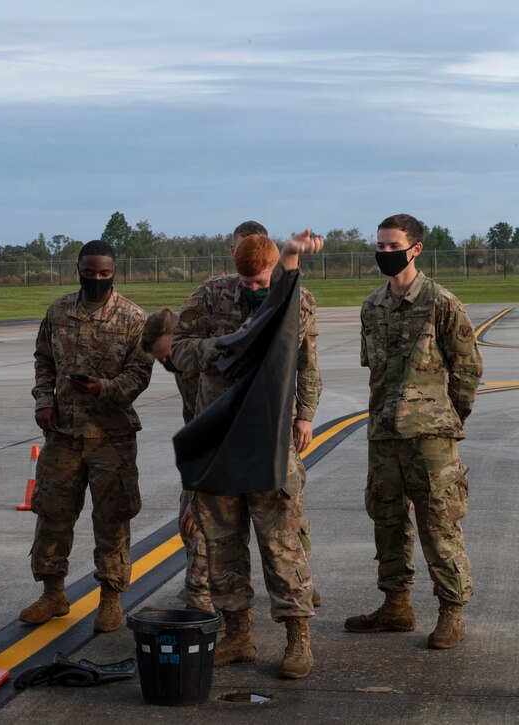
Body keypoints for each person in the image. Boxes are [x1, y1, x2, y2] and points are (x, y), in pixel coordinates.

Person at [171, 231, 323, 679]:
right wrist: (223, 345)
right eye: (247, 282)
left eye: (262, 281)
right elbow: (179, 350)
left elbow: (307, 361)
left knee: (282, 542)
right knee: (220, 543)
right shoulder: (210, 295)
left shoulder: (296, 297)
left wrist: (305, 415)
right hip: (219, 435)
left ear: (275, 268)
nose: (255, 288)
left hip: (270, 435)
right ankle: (239, 635)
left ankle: (298, 639)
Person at [344, 213, 482, 649]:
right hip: (384, 434)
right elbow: (375, 371)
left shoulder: (442, 302)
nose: (385, 253)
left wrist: (444, 419)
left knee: (439, 523)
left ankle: (451, 612)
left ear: (416, 248)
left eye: (392, 246)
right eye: (380, 246)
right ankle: (396, 606)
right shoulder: (371, 307)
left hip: (431, 439)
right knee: (386, 520)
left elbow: (467, 370)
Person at [20, 240, 153, 633]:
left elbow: (139, 374)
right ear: (77, 268)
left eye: (104, 274)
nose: (96, 279)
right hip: (62, 433)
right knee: (52, 515)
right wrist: (44, 400)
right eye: (89, 272)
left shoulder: (132, 318)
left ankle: (111, 598)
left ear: (115, 272)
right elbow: (43, 360)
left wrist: (104, 389)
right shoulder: (58, 311)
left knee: (111, 519)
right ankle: (52, 594)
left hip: (110, 436)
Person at [142, 309, 210, 613]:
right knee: (188, 519)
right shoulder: (185, 368)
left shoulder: (206, 363)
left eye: (166, 356)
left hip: (229, 453)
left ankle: (200, 605)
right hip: (204, 453)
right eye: (160, 361)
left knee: (200, 523)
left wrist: (199, 495)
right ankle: (206, 595)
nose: (166, 364)